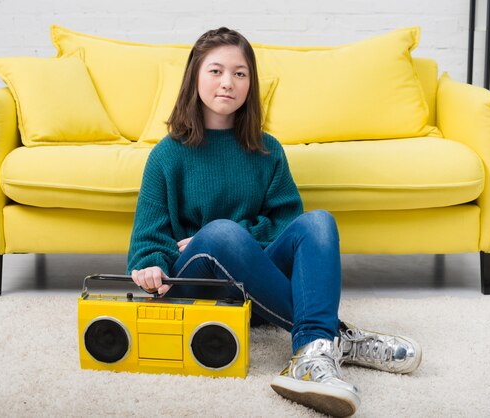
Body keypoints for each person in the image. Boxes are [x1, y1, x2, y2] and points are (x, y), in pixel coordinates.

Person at [127, 27, 422, 418]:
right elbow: (147, 241)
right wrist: (153, 265)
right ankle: (339, 337)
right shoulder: (167, 155)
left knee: (318, 222)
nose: (228, 83)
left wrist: (240, 236)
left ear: (251, 83)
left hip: (257, 283)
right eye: (215, 71)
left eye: (240, 73)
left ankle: (314, 350)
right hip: (200, 282)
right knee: (220, 233)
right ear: (194, 78)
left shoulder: (267, 150)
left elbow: (286, 223)